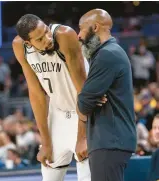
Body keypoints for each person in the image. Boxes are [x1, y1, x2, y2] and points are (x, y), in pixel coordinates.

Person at [12, 14, 106, 181]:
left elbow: (82, 92)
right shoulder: (20, 46)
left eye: (47, 31)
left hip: (84, 111)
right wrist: (46, 141)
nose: (48, 39)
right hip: (58, 113)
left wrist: (82, 137)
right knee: (49, 175)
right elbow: (36, 94)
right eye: (40, 39)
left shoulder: (64, 35)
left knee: (87, 175)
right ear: (28, 43)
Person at [77, 9, 137, 181]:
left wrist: (83, 101)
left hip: (110, 141)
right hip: (110, 141)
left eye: (81, 29)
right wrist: (86, 99)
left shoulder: (107, 55)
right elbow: (86, 101)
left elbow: (83, 104)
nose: (78, 35)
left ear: (95, 27)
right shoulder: (107, 53)